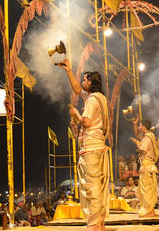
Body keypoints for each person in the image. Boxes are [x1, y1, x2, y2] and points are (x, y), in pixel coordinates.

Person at [57, 60, 109, 231]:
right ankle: (99, 223)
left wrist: (76, 114)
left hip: (91, 148)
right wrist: (69, 71)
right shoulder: (100, 98)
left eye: (85, 80)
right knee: (98, 187)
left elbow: (86, 122)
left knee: (90, 186)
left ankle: (94, 224)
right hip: (99, 146)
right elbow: (77, 90)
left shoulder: (93, 100)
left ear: (91, 83)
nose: (82, 83)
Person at [131, 119, 159, 218]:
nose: (139, 127)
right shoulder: (150, 136)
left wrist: (137, 145)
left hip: (146, 165)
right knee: (150, 189)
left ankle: (148, 211)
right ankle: (151, 211)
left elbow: (143, 151)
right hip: (149, 165)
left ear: (144, 126)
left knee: (146, 190)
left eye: (140, 125)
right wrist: (138, 143)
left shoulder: (147, 137)